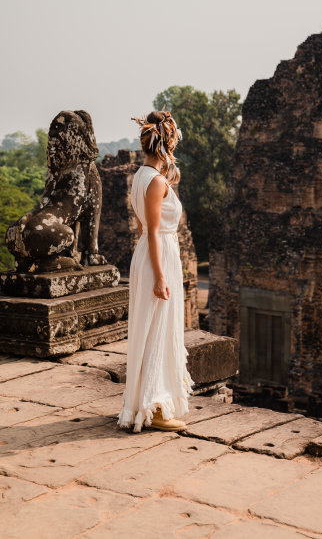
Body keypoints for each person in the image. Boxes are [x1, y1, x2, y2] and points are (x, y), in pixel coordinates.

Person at [117, 108, 194, 432]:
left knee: (154, 329)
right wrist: (160, 276)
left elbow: (140, 228)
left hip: (155, 255)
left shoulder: (141, 176)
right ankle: (154, 405)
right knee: (157, 331)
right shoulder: (156, 181)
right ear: (167, 144)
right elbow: (149, 229)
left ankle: (150, 402)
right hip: (157, 257)